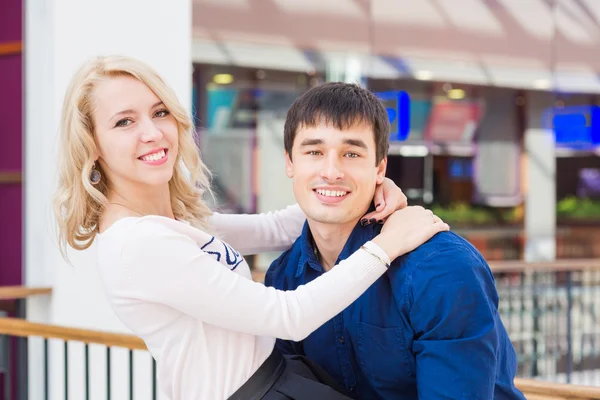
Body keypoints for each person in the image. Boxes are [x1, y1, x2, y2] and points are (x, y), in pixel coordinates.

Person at [52, 55, 449, 400]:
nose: (152, 132)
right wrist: (387, 246)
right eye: (124, 122)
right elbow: (286, 315)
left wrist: (368, 185)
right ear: (93, 145)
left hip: (278, 379)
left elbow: (277, 228)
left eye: (159, 112)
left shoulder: (171, 221)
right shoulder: (137, 243)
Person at [265, 82, 526, 400]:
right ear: (290, 162)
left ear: (380, 168)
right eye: (314, 152)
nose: (331, 171)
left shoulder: (441, 270)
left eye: (351, 153)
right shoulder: (283, 278)